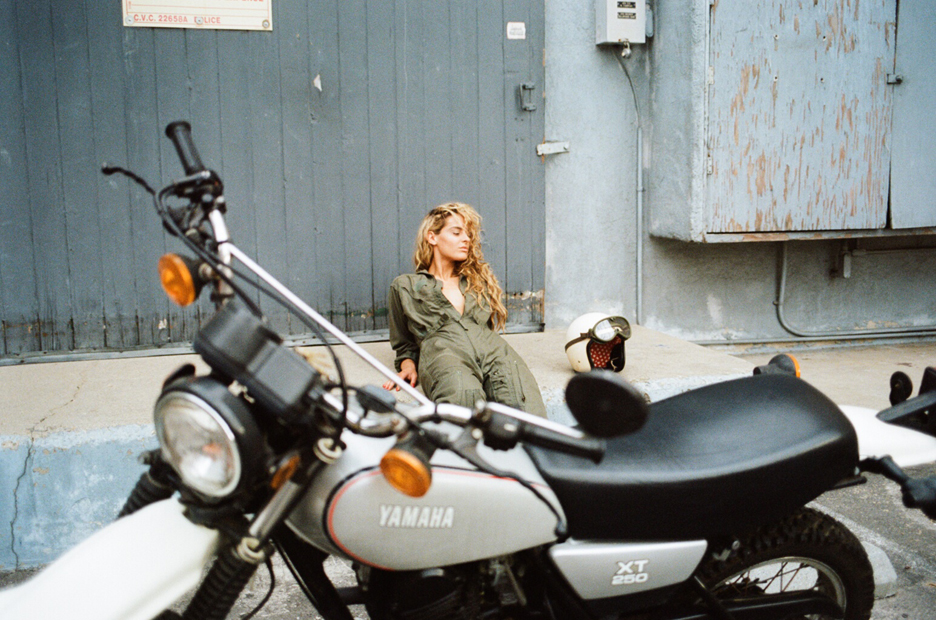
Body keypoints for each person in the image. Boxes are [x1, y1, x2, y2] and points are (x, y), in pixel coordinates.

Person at [382, 202, 547, 418]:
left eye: (468, 234)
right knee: (462, 404)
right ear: (432, 237)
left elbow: (485, 330)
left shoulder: (476, 282)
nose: (466, 239)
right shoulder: (405, 286)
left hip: (495, 352)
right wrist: (408, 366)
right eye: (456, 232)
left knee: (525, 405)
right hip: (446, 354)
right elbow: (404, 343)